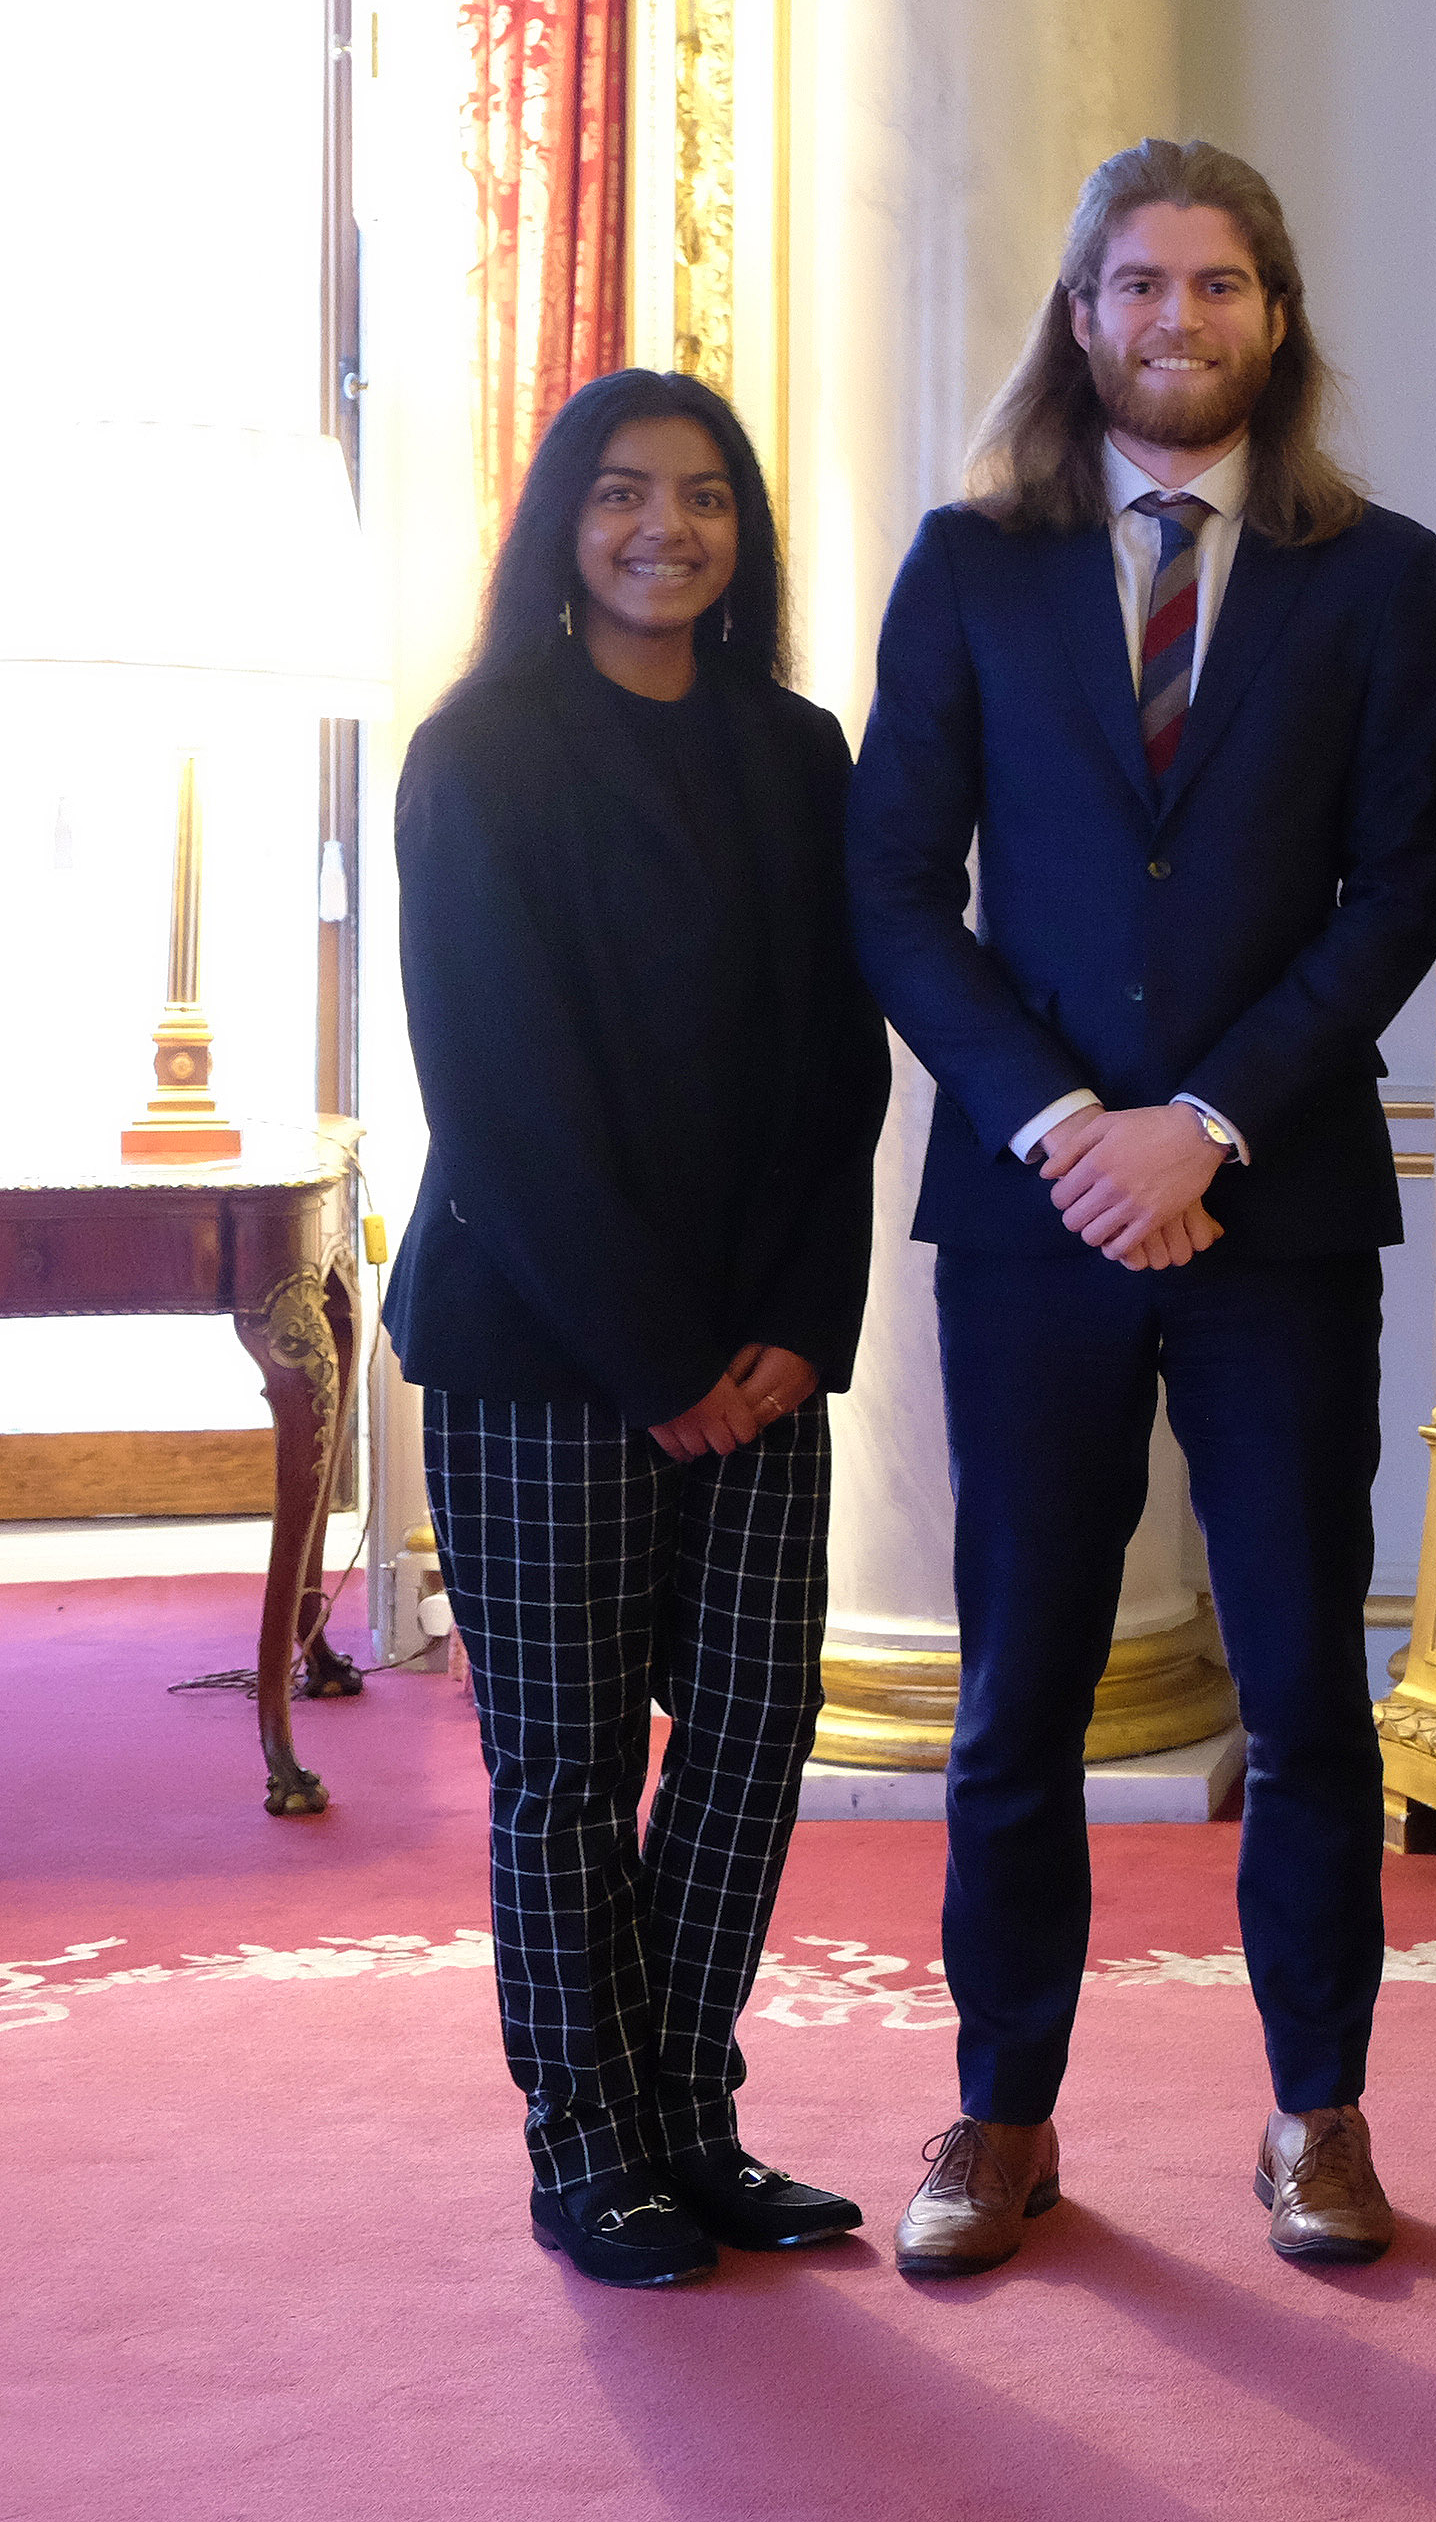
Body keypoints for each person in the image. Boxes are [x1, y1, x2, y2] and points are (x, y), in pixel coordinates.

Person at [849, 138, 1436, 2277]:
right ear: (1082, 315)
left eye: (1217, 284)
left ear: (1272, 319)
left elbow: (1403, 892)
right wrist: (1068, 1129)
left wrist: (1205, 1119)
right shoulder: (970, 564)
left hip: (1275, 1217)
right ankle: (1001, 2116)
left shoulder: (1374, 574)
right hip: (1031, 1226)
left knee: (1304, 1689)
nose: (1177, 318)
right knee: (1019, 1690)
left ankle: (1318, 2119)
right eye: (1137, 284)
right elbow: (896, 895)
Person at [391, 367, 891, 2288]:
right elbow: (500, 1092)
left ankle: (691, 2111)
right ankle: (585, 2134)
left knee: (758, 1725)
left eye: (699, 495)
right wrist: (654, 1354)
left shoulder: (796, 748)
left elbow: (837, 1061)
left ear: (742, 529)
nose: (662, 528)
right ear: (562, 526)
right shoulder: (480, 751)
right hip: (544, 1345)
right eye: (619, 495)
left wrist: (781, 1321)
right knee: (568, 1765)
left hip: (761, 1354)